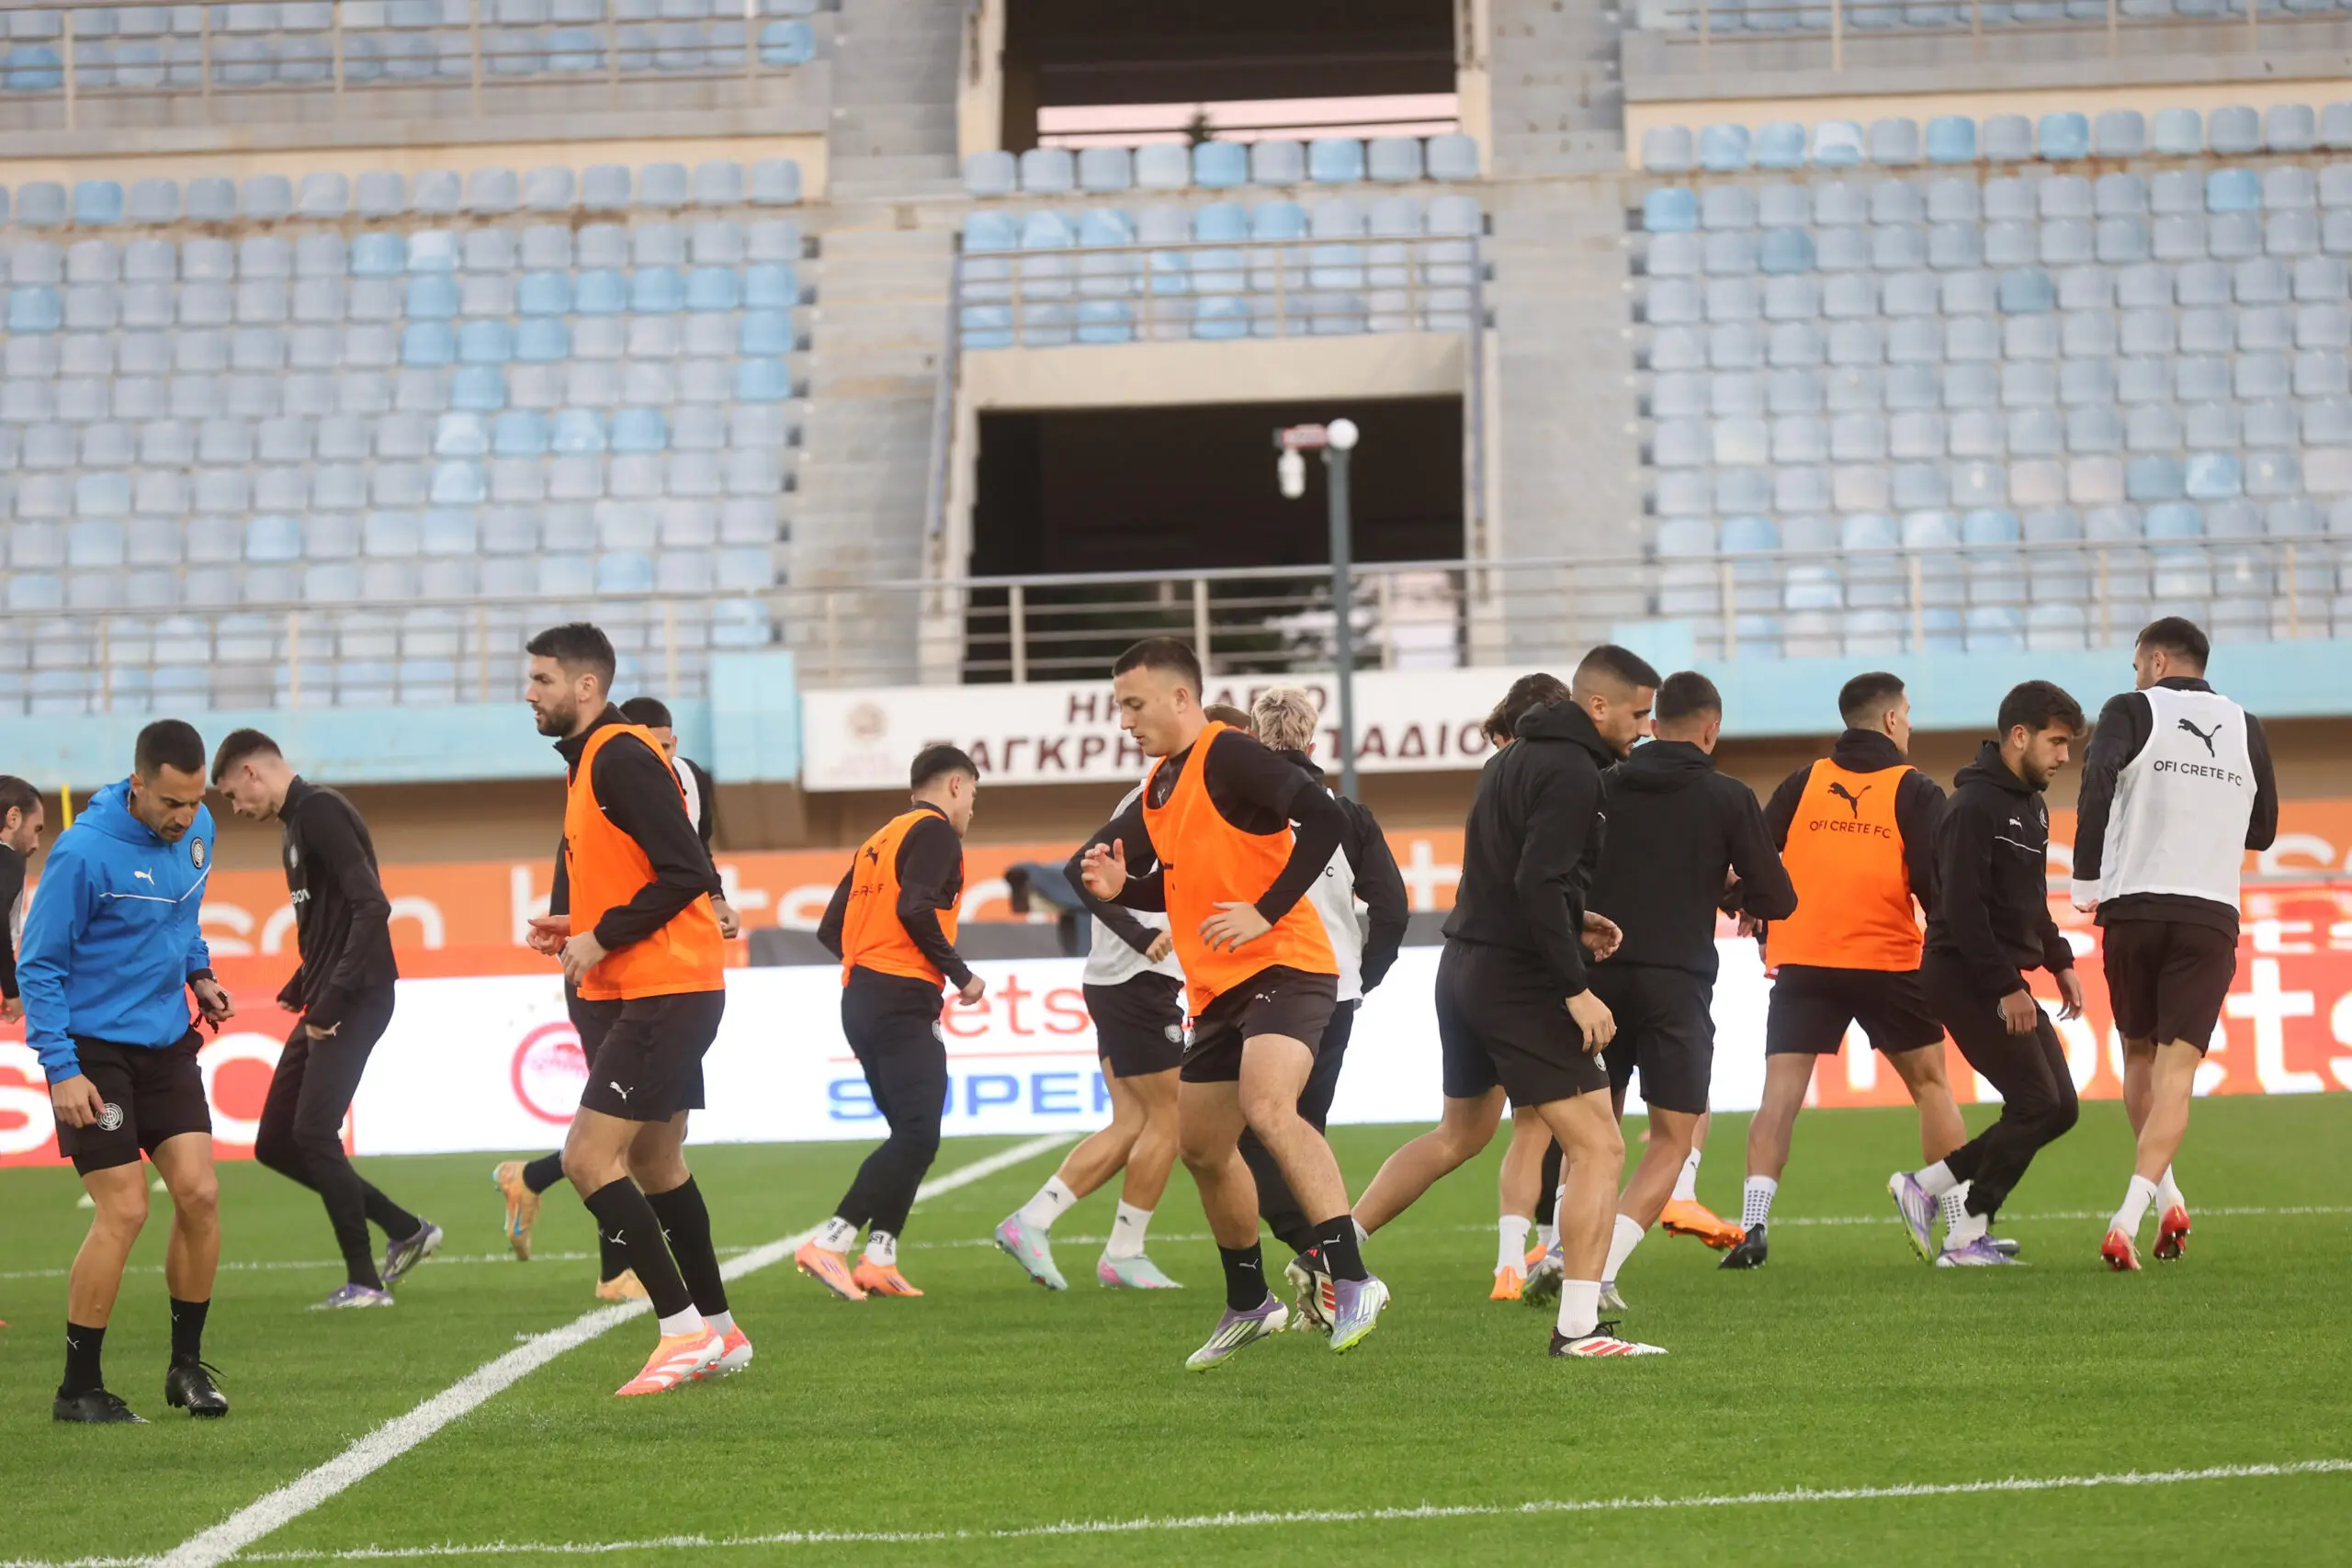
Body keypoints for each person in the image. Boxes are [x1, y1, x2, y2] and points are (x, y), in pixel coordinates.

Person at [1078, 638, 1380, 1370]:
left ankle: (1352, 1279)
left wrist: (1266, 909)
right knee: (1202, 1147)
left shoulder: (1230, 753)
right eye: (1120, 706)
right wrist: (1127, 889)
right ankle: (1250, 1302)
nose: (1124, 719)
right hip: (1217, 990)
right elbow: (1182, 880)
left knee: (1268, 1107)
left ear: (1181, 697)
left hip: (1289, 964)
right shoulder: (1160, 784)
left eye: (1134, 704)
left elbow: (1327, 819)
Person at [1347, 647, 1657, 1358]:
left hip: (1464, 966)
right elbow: (1537, 883)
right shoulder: (1574, 771)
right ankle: (1577, 1329)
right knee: (1600, 1145)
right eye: (1640, 713)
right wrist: (1575, 987)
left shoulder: (1508, 760)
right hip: (1517, 980)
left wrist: (1575, 920)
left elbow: (1515, 878)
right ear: (1598, 705)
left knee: (1459, 1134)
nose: (1646, 728)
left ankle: (1333, 1251)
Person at [521, 624, 745, 1396]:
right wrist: (576, 924)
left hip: (666, 988)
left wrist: (601, 936)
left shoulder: (617, 755)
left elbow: (686, 870)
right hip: (661, 985)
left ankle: (681, 1330)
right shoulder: (593, 759)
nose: (529, 692)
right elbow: (643, 875)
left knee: (587, 1160)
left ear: (587, 686)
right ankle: (719, 1329)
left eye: (543, 679)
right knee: (654, 1160)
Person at [21, 720, 233, 1422]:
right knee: (126, 1207)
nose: (185, 816)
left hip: (166, 1042)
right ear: (138, 784)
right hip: (93, 1050)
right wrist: (62, 1068)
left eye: (195, 800)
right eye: (171, 802)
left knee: (200, 1194)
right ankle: (78, 1388)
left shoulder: (199, 828)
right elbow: (39, 965)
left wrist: (200, 973)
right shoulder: (83, 853)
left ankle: (185, 1369)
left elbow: (183, 916)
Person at [492, 694, 739, 1294]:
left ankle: (533, 1180)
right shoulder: (607, 767)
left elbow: (690, 856)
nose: (660, 754)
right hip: (616, 977)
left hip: (666, 973)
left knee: (658, 1146)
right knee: (611, 1147)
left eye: (667, 745)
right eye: (651, 743)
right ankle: (622, 1274)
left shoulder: (678, 779)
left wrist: (714, 897)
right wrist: (579, 928)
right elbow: (584, 864)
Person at [1723, 672, 1960, 1271]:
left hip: (1804, 958)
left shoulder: (1805, 780)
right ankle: (1961, 1231)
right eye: (1907, 713)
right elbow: (1935, 883)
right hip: (1887, 959)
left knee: (1780, 1097)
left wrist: (1752, 907)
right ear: (1890, 720)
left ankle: (1752, 1226)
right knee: (1932, 1086)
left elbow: (1755, 855)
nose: (1910, 723)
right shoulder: (1915, 788)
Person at [1580, 672, 1796, 1312]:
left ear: (1653, 725)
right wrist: (1727, 888)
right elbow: (1778, 896)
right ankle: (1601, 1273)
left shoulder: (1601, 784)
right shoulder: (1727, 796)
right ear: (1711, 728)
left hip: (1597, 979)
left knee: (1591, 1139)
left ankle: (1567, 1258)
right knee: (1673, 1139)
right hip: (1676, 984)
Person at [2071, 618, 2277, 1271]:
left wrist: (2085, 875)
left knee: (2138, 1057)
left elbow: (2097, 775)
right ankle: (2145, 1210)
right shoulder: (2246, 726)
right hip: (2209, 912)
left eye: (2137, 664)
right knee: (2177, 1072)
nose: (2135, 676)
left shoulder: (2132, 709)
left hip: (2135, 904)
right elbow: (2264, 830)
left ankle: (2152, 1208)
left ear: (2157, 660)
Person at [211, 731, 440, 1310]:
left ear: (251, 771)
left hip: (353, 998)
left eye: (232, 794)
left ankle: (365, 1283)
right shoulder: (296, 824)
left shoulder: (319, 812)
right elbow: (333, 922)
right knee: (275, 1142)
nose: (235, 808)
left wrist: (331, 1000)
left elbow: (372, 904)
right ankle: (404, 1228)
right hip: (329, 996)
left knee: (313, 1133)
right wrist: (303, 982)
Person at [1889, 682, 2089, 1267]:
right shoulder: (1972, 808)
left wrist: (2059, 961)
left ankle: (1930, 1189)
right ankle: (1964, 1230)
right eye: (2057, 742)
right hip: (1964, 976)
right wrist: (2007, 987)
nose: (2064, 756)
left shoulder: (2032, 806)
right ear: (2019, 736)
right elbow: (1961, 910)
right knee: (2035, 1102)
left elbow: (2030, 902)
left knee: (2060, 1108)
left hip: (1998, 974)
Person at [1236, 687, 1408, 1329]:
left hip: (1262, 991)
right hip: (1334, 991)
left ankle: (1324, 1258)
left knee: (1245, 1136)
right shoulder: (1347, 814)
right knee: (1303, 1130)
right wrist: (1365, 974)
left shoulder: (1239, 807)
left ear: (1255, 742)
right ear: (1314, 744)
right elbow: (1392, 909)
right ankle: (1330, 1268)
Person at [802, 745, 987, 1301]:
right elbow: (914, 908)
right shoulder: (936, 833)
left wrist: (871, 969)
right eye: (973, 795)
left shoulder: (879, 840)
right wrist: (960, 974)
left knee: (911, 1135)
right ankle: (831, 1241)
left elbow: (831, 929)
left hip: (861, 996)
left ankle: (880, 1256)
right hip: (900, 997)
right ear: (955, 786)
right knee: (917, 1132)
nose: (972, 808)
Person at [995, 781, 1189, 1292]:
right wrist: (1141, 936)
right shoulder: (1162, 795)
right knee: (1172, 1116)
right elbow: (1079, 870)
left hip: (1123, 979)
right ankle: (1123, 1251)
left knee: (1134, 1121)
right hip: (1137, 978)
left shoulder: (1172, 791)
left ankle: (1032, 1221)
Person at [0, 773, 47, 1025]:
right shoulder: (8, 859)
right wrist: (11, 989)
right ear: (14, 818)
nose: (37, 843)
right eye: (36, 829)